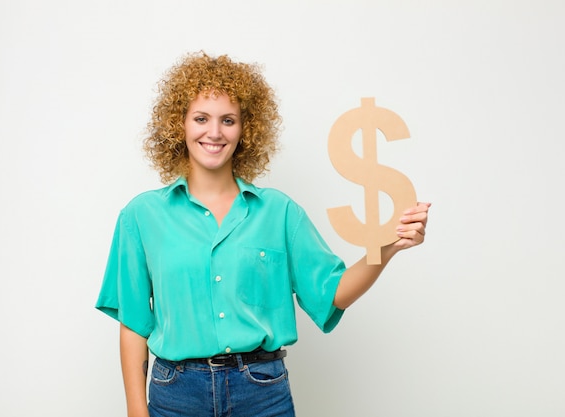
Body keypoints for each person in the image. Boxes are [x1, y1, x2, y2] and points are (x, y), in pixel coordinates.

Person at [95, 51, 430, 417]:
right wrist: (135, 410)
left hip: (260, 392)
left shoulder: (279, 212)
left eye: (228, 120)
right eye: (201, 118)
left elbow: (333, 294)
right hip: (175, 394)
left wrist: (388, 247)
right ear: (180, 125)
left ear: (245, 129)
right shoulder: (142, 216)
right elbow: (133, 325)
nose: (215, 132)